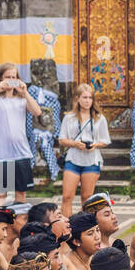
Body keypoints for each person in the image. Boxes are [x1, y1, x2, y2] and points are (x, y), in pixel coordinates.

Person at [0, 63, 42, 206]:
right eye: (8, 77)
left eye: (14, 77)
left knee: (21, 193)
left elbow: (37, 112)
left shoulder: (21, 98)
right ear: (1, 78)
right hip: (2, 154)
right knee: (1, 193)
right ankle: (0, 225)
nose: (11, 80)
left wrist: (25, 92)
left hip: (21, 152)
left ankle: (18, 225)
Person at [57, 82, 109, 217]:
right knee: (67, 196)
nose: (87, 101)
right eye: (84, 97)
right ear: (77, 99)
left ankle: (84, 227)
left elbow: (105, 140)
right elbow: (62, 139)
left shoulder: (99, 118)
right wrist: (75, 144)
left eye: (90, 98)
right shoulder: (69, 118)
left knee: (87, 198)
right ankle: (66, 227)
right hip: (73, 159)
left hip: (91, 160)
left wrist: (95, 145)